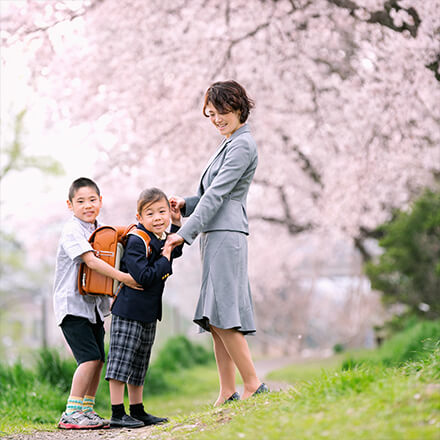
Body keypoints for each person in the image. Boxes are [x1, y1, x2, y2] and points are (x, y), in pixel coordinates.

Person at [167, 80, 268, 406]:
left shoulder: (241, 145)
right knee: (214, 316)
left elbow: (219, 195)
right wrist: (187, 204)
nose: (216, 119)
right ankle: (228, 390)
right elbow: (211, 197)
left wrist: (183, 232)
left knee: (223, 312)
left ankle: (253, 384)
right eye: (211, 114)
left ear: (238, 106)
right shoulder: (230, 143)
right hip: (217, 234)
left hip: (226, 235)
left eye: (221, 111)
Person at [53, 177, 141, 430]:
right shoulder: (72, 230)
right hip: (72, 306)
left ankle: (86, 410)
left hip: (93, 308)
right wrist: (124, 278)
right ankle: (70, 412)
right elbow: (90, 261)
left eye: (92, 200)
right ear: (70, 205)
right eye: (80, 201)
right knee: (89, 358)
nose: (87, 205)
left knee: (99, 359)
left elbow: (116, 240)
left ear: (100, 201)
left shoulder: (101, 229)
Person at [105, 187, 183, 428]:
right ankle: (117, 412)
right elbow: (144, 276)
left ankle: (137, 410)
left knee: (140, 362)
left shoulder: (157, 237)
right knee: (121, 360)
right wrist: (167, 253)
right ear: (139, 218)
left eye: (162, 211)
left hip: (147, 311)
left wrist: (178, 226)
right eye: (150, 213)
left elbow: (173, 249)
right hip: (128, 310)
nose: (158, 217)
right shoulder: (137, 240)